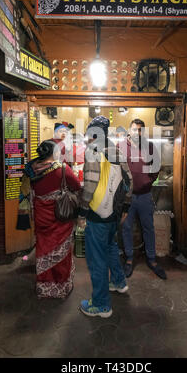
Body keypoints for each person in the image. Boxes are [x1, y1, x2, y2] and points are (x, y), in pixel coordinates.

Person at [78, 116, 133, 318]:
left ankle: (101, 305)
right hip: (114, 214)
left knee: (97, 260)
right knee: (110, 248)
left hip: (97, 214)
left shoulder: (93, 151)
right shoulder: (116, 150)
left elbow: (90, 185)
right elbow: (130, 180)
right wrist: (125, 207)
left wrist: (82, 212)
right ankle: (118, 282)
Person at [17, 140, 81, 299]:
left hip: (41, 216)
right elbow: (77, 186)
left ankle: (44, 287)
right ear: (54, 153)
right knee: (62, 251)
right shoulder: (62, 169)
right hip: (60, 217)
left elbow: (26, 190)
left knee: (43, 249)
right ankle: (61, 287)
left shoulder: (31, 169)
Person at [119, 118, 166, 280]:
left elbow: (157, 166)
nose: (137, 133)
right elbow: (116, 169)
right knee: (126, 228)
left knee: (148, 227)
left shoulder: (150, 147)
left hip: (145, 195)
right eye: (134, 129)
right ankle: (129, 258)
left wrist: (148, 180)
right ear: (129, 130)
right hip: (127, 197)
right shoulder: (120, 147)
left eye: (140, 130)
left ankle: (152, 260)